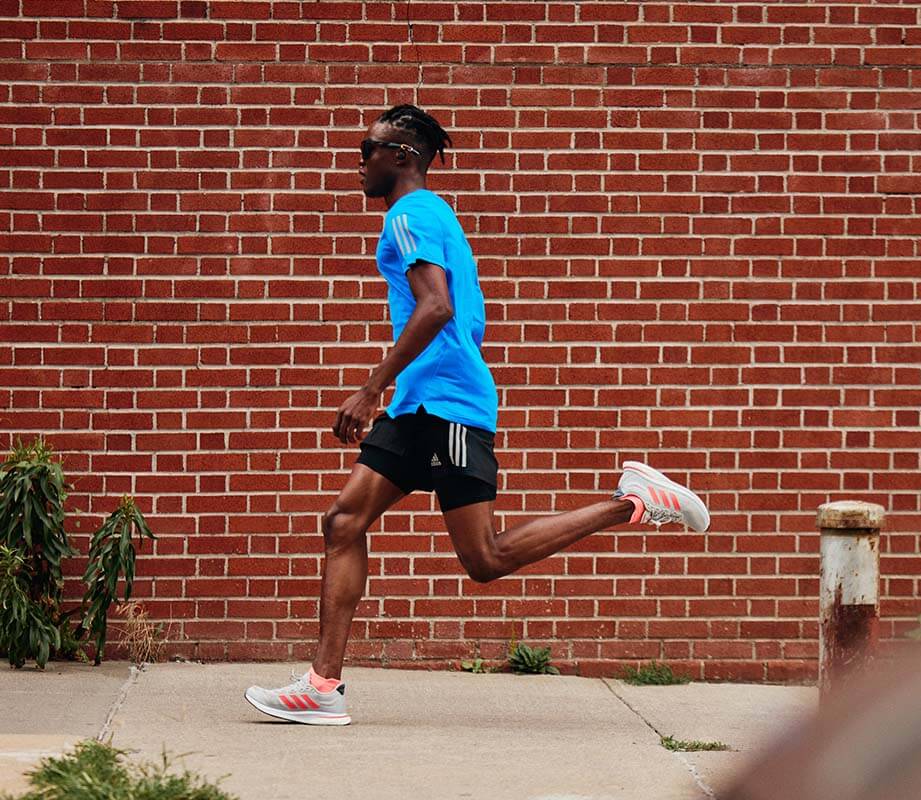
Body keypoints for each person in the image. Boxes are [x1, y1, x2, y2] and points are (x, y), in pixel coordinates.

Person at [245, 104, 709, 725]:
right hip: (420, 401)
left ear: (402, 156)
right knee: (343, 522)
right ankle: (322, 686)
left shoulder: (411, 215)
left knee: (483, 560)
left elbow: (435, 307)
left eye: (369, 148)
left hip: (447, 404)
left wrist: (368, 389)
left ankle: (633, 502)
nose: (359, 160)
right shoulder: (424, 214)